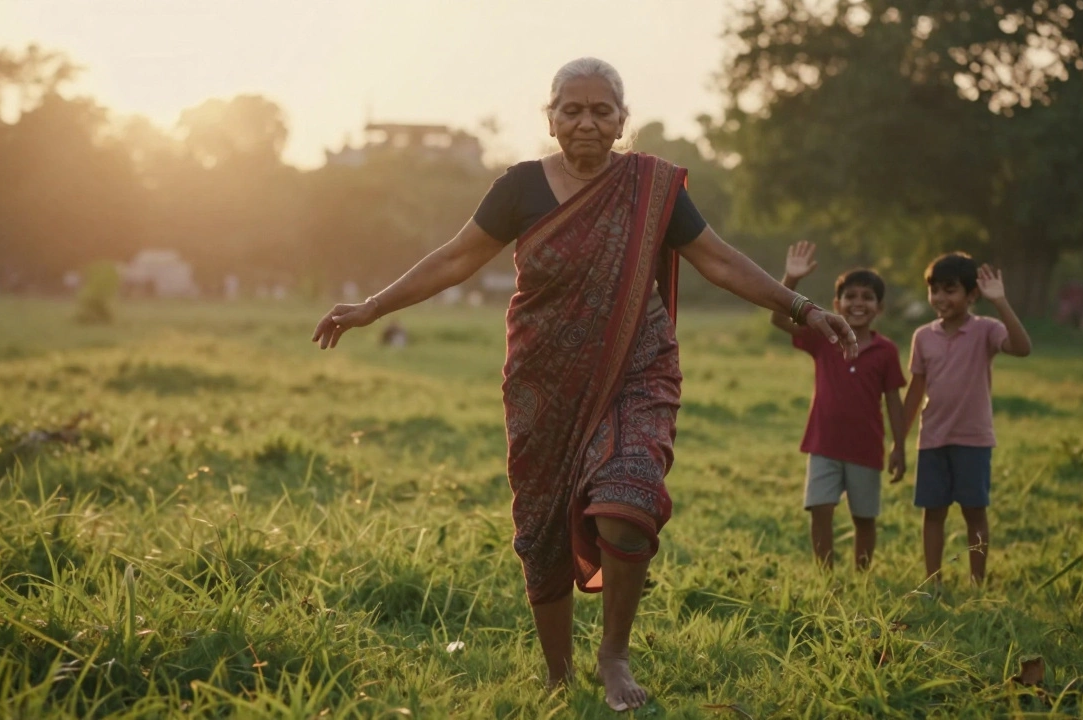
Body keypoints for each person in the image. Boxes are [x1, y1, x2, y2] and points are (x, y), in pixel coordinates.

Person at [311, 57, 859, 712]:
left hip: (639, 367)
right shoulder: (519, 188)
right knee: (541, 526)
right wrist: (371, 306)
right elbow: (457, 257)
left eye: (602, 110)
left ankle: (614, 656)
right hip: (543, 379)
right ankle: (557, 673)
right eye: (572, 109)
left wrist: (801, 308)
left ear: (622, 120)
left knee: (627, 505)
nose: (587, 122)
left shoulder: (652, 186)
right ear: (551, 116)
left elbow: (715, 258)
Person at [769, 242, 907, 571]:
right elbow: (778, 318)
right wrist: (792, 278)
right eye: (851, 296)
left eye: (867, 297)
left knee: (864, 518)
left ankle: (861, 574)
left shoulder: (886, 351)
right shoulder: (824, 335)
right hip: (823, 444)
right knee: (820, 509)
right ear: (837, 303)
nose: (858, 303)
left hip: (865, 447)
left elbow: (893, 401)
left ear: (879, 307)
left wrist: (899, 446)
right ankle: (825, 575)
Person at [902, 252, 1032, 590]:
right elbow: (915, 391)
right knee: (933, 513)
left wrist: (1001, 302)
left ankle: (977, 582)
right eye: (935, 290)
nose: (941, 298)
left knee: (974, 512)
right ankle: (933, 582)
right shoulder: (923, 337)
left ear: (972, 295)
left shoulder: (986, 330)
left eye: (951, 290)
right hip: (932, 439)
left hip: (973, 440)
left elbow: (1022, 348)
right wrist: (898, 442)